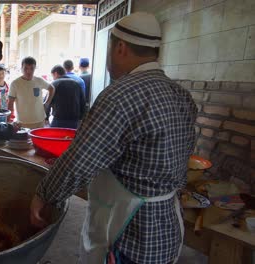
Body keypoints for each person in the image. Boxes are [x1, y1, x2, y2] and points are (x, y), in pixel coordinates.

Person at [30, 12, 197, 264]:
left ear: (120, 47)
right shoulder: (182, 95)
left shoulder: (120, 95)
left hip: (131, 232)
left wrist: (44, 194)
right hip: (168, 229)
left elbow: (80, 161)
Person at [8, 57, 55, 129]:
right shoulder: (15, 83)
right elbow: (10, 103)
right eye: (26, 68)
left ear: (35, 68)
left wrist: (47, 103)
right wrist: (8, 120)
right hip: (22, 122)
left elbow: (52, 88)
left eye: (31, 68)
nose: (28, 71)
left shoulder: (39, 80)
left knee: (39, 140)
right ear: (21, 68)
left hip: (40, 120)